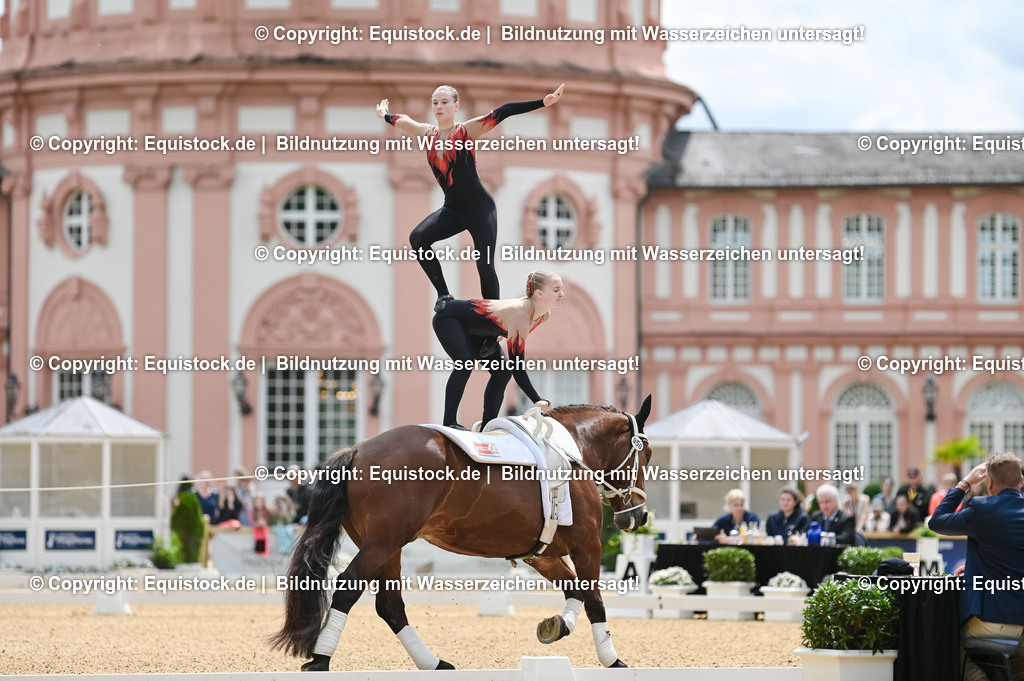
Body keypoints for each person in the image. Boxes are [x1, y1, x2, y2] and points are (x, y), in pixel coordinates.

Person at [377, 83, 564, 314]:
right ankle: (443, 294)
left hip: (480, 210)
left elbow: (502, 111)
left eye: (444, 102)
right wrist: (386, 116)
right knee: (418, 238)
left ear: (456, 106)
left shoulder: (466, 131)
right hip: (454, 209)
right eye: (435, 102)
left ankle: (494, 320)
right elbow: (405, 121)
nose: (438, 107)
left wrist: (542, 102)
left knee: (484, 265)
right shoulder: (428, 134)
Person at [929, 453, 1024, 681]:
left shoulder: (981, 510)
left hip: (987, 621)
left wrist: (964, 484)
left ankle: (977, 678)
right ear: (1021, 481)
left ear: (989, 483)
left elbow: (936, 521)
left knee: (944, 636)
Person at [432, 270, 562, 429]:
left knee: (502, 372)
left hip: (476, 331)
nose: (561, 294)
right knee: (465, 363)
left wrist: (497, 334)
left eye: (561, 289)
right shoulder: (522, 314)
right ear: (539, 294)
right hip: (449, 318)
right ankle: (450, 421)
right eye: (556, 290)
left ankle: (487, 427)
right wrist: (536, 398)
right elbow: (517, 365)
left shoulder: (543, 315)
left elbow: (504, 328)